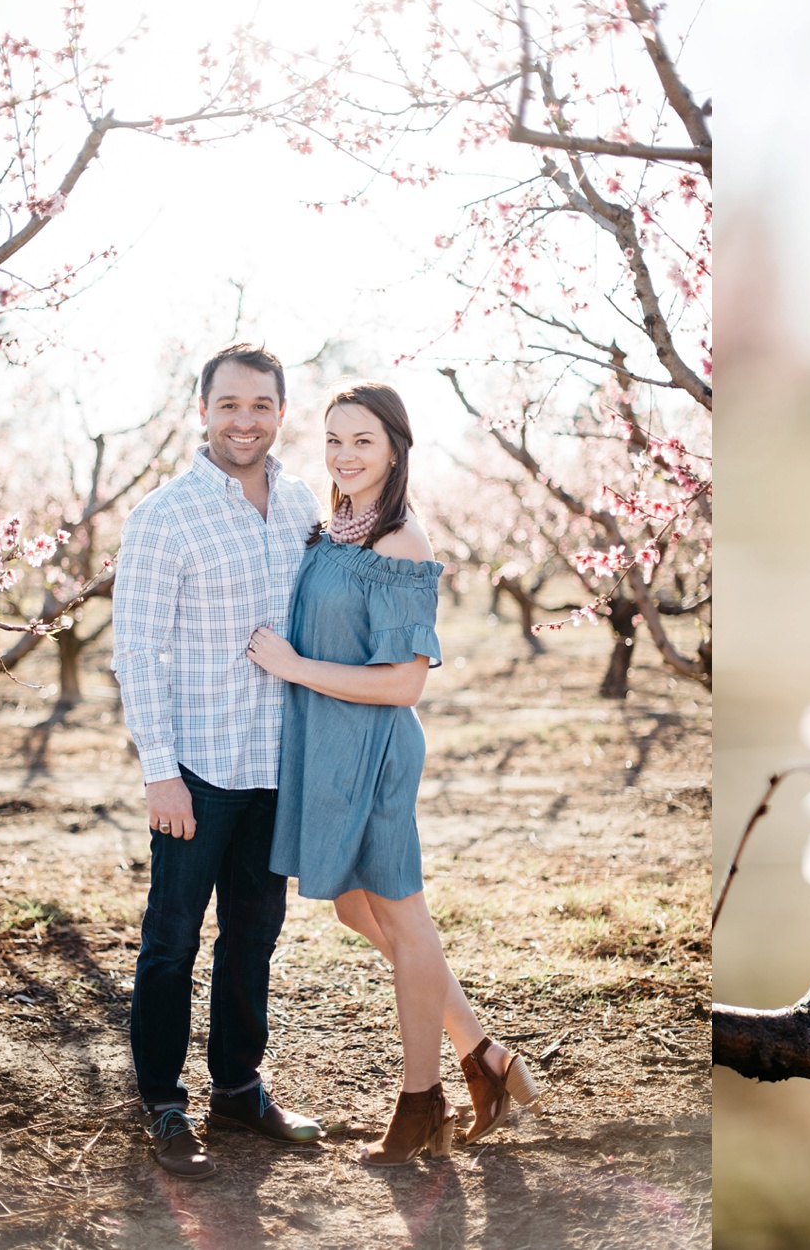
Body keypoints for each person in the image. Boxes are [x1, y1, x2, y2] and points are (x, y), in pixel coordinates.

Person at [245, 381, 539, 1165]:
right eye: (334, 440)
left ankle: (421, 1104)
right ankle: (486, 1057)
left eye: (363, 441)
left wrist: (296, 667)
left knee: (405, 921)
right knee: (354, 908)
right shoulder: (336, 531)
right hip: (328, 747)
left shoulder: (401, 546)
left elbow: (406, 683)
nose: (344, 455)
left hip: (373, 750)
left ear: (396, 450)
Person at [112, 343, 327, 1180]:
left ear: (281, 411)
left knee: (254, 936)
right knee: (171, 940)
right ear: (202, 409)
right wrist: (158, 769)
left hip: (275, 765)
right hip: (197, 768)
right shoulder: (162, 516)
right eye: (230, 404)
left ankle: (238, 1085)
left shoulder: (304, 500)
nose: (246, 420)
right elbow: (137, 651)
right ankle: (164, 1101)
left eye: (261, 405)